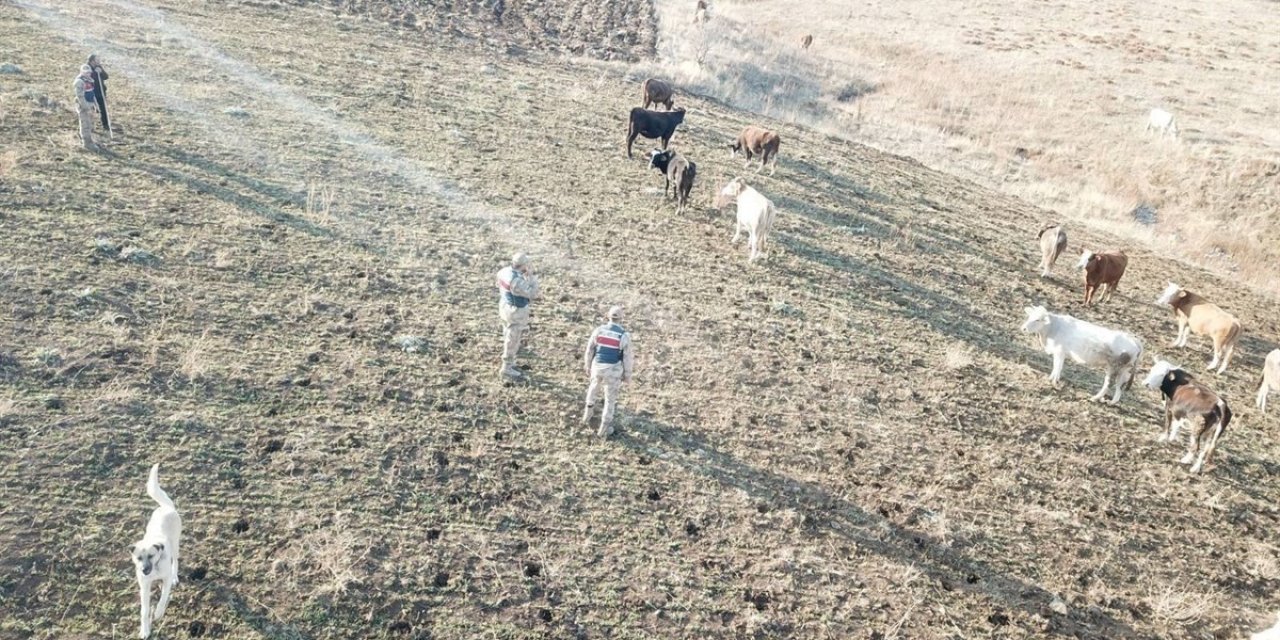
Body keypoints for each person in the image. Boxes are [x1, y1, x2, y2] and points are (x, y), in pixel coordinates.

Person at [582, 306, 635, 438]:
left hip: (597, 366)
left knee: (593, 388)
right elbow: (627, 357)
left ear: (608, 316)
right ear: (621, 318)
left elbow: (590, 349)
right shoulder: (623, 335)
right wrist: (627, 375)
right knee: (610, 400)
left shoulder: (599, 330)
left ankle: (587, 414)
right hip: (613, 370)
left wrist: (587, 364)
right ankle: (603, 428)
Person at [495, 252, 540, 379]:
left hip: (504, 306)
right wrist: (532, 279)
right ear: (523, 265)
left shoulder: (503, 272)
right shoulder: (517, 281)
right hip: (515, 312)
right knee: (512, 339)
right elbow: (532, 294)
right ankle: (507, 368)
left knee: (507, 333)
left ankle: (510, 362)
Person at [72, 65, 97, 150]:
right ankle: (87, 143)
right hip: (83, 106)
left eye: (89, 72)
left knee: (89, 124)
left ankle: (88, 139)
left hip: (90, 104)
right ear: (82, 72)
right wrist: (86, 107)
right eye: (86, 72)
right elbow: (80, 97)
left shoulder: (89, 81)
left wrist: (95, 105)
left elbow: (92, 93)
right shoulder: (79, 82)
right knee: (85, 124)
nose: (88, 74)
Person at [87, 54, 111, 138]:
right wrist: (94, 72)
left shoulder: (99, 67)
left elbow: (106, 77)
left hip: (101, 92)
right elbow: (87, 77)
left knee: (103, 109)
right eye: (97, 60)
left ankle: (106, 125)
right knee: (91, 109)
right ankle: (90, 126)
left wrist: (101, 71)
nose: (99, 61)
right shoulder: (87, 67)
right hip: (92, 92)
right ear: (92, 61)